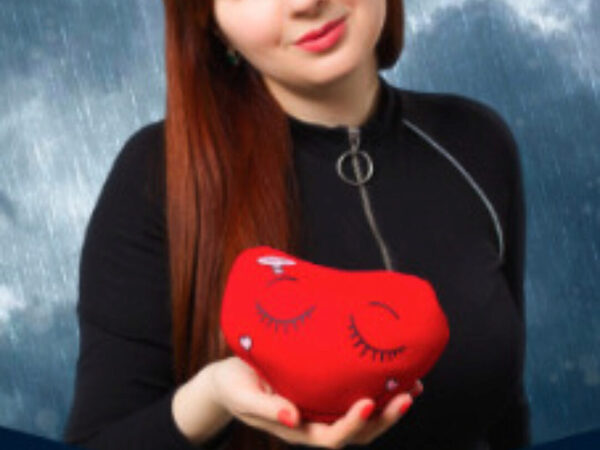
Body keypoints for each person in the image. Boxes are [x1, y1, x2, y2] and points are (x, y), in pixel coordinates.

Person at [62, 1, 531, 449]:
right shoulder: (160, 177)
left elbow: (507, 411)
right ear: (211, 22)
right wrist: (212, 399)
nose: (305, 3)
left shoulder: (476, 140)